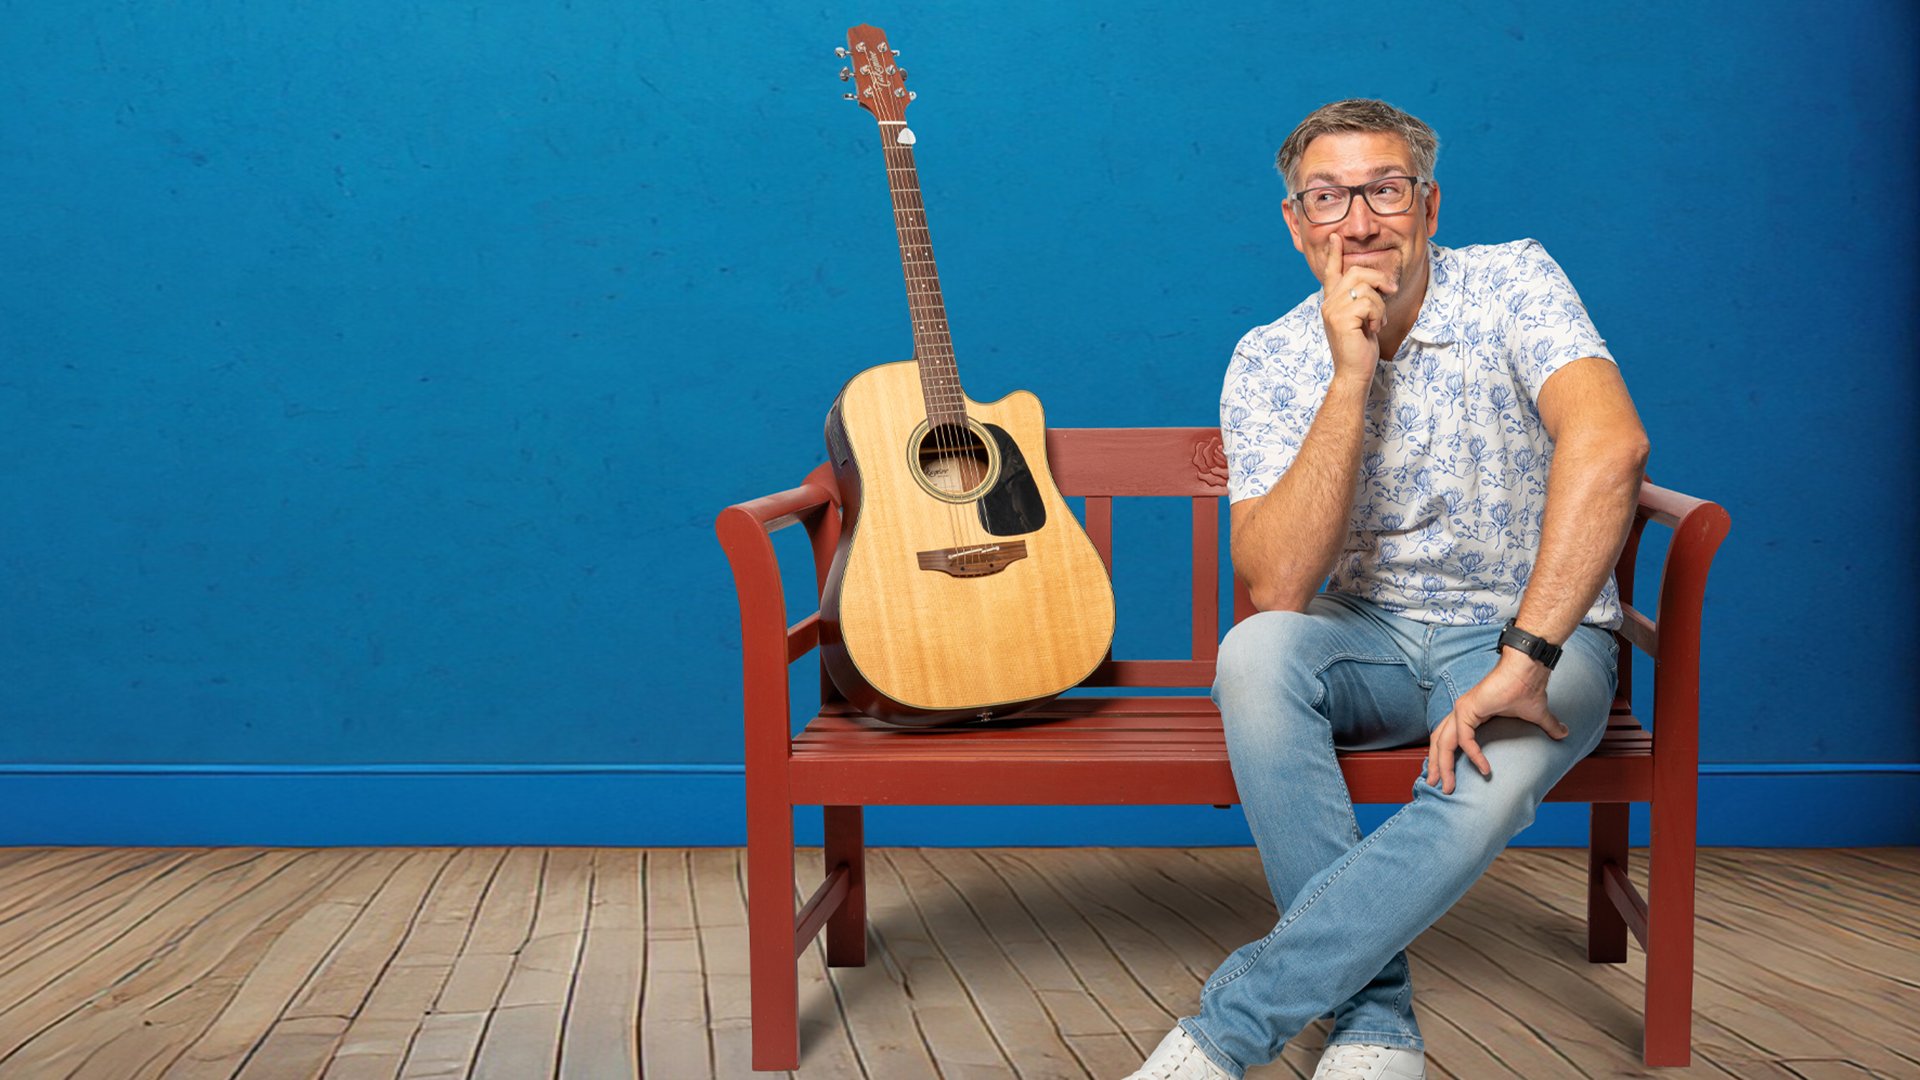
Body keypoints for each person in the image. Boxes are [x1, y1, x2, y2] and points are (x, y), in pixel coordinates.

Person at [1123, 99, 1650, 1080]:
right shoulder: (1270, 357)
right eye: (1328, 198)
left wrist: (1526, 654)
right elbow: (1279, 584)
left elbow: (1611, 442)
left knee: (1479, 793)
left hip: (1532, 637)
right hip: (1366, 641)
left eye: (1384, 190)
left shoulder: (1514, 284)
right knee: (1254, 653)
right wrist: (1349, 375)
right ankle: (1377, 1023)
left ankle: (1226, 1036)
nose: (1358, 222)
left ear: (1429, 205)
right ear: (1295, 222)